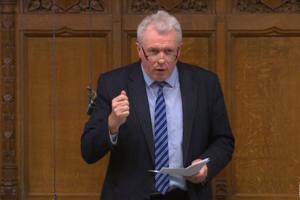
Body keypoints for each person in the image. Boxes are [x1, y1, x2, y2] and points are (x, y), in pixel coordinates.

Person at [81, 10, 234, 200]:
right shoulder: (113, 83)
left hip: (187, 194)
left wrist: (206, 166)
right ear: (139, 49)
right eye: (153, 51)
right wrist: (112, 124)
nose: (161, 60)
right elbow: (88, 151)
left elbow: (224, 141)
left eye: (169, 51)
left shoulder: (205, 83)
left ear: (179, 50)